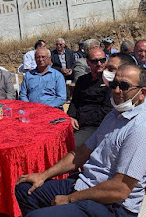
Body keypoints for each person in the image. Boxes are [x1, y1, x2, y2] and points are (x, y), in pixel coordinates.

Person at [15, 65, 146, 217]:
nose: (117, 91)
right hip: (86, 184)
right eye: (114, 84)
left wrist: (70, 199)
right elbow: (82, 152)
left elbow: (120, 189)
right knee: (25, 189)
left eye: (124, 86)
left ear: (142, 93)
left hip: (112, 205)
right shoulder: (115, 114)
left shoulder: (139, 128)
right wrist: (43, 175)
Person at [68, 48, 112, 147]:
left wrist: (81, 120)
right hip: (77, 122)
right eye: (95, 61)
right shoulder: (82, 80)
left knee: (69, 145)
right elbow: (75, 101)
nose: (99, 64)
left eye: (102, 60)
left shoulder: (110, 82)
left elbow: (106, 110)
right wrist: (71, 117)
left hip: (95, 125)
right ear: (88, 63)